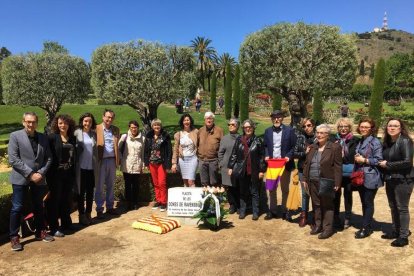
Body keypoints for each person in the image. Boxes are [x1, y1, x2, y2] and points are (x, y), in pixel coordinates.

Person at [8, 112, 54, 251]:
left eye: (33, 122)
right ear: (23, 122)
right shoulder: (15, 136)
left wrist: (40, 173)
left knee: (39, 205)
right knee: (17, 207)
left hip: (38, 178)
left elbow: (49, 158)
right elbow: (13, 159)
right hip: (21, 178)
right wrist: (30, 174)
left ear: (37, 123)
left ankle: (40, 231)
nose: (30, 124)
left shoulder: (43, 138)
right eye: (28, 121)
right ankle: (14, 237)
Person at [379, 118, 414, 247]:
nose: (392, 128)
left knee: (402, 208)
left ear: (401, 128)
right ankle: (395, 230)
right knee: (393, 206)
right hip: (391, 178)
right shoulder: (387, 142)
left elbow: (407, 162)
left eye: (395, 126)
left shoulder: (405, 141)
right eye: (390, 126)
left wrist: (388, 164)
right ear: (386, 128)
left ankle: (403, 236)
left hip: (403, 179)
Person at [302, 124, 342, 239]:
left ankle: (327, 229)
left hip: (326, 181)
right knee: (316, 204)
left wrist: (337, 182)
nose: (319, 135)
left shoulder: (335, 147)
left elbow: (338, 166)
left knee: (327, 205)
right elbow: (306, 164)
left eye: (322, 133)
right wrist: (304, 178)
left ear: (328, 135)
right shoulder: (313, 147)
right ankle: (318, 225)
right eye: (318, 133)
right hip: (312, 180)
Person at [228, 119, 266, 220]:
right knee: (243, 191)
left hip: (254, 170)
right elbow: (234, 154)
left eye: (249, 127)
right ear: (243, 129)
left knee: (254, 192)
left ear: (253, 128)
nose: (247, 129)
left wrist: (262, 170)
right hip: (242, 170)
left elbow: (262, 157)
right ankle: (242, 211)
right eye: (245, 127)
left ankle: (255, 212)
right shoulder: (239, 139)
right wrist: (230, 167)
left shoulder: (258, 141)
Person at [46, 114, 77, 238]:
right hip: (55, 175)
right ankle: (54, 228)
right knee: (55, 201)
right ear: (56, 125)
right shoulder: (52, 138)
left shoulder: (72, 138)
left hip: (68, 174)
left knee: (66, 199)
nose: (62, 125)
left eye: (65, 123)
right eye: (60, 123)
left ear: (69, 125)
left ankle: (66, 223)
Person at [263, 110, 296, 220]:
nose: (276, 119)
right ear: (272, 119)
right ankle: (272, 210)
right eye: (274, 117)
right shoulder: (267, 131)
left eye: (279, 117)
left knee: (285, 188)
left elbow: (293, 146)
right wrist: (267, 155)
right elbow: (266, 146)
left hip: (284, 164)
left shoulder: (289, 131)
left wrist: (289, 156)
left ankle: (284, 210)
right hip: (272, 164)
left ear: (282, 118)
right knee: (272, 188)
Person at [353, 117, 383, 239]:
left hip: (370, 177)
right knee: (364, 202)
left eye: (366, 127)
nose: (364, 129)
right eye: (362, 127)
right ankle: (367, 225)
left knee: (368, 202)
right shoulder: (361, 140)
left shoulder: (375, 142)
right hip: (361, 176)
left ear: (372, 129)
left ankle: (366, 228)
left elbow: (379, 160)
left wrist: (364, 160)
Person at [333, 118, 360, 230]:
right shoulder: (333, 139)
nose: (343, 129)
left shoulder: (355, 140)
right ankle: (336, 217)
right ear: (338, 128)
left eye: (345, 126)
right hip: (336, 173)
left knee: (348, 195)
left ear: (350, 128)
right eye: (341, 127)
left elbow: (353, 157)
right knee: (336, 195)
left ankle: (347, 217)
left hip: (349, 173)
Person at [95, 109, 120, 218]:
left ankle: (110, 207)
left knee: (111, 185)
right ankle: (99, 209)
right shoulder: (96, 128)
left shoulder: (115, 130)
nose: (109, 119)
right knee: (100, 186)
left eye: (111, 118)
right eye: (108, 117)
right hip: (100, 161)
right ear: (103, 117)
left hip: (112, 160)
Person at [74, 113, 98, 226]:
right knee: (80, 192)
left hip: (91, 168)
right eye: (85, 121)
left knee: (90, 192)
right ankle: (81, 215)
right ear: (82, 122)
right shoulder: (77, 133)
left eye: (89, 121)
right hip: (81, 168)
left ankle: (88, 214)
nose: (87, 123)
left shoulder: (93, 134)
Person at [144, 119, 172, 211]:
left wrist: (168, 164)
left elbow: (169, 151)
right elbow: (146, 150)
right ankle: (158, 200)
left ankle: (164, 202)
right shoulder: (149, 136)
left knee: (162, 183)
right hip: (152, 163)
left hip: (161, 163)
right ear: (152, 126)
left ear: (161, 126)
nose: (157, 127)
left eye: (158, 125)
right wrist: (146, 162)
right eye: (155, 125)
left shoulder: (165, 136)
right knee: (155, 183)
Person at [293, 117, 316, 227]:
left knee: (315, 193)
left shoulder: (319, 137)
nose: (307, 128)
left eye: (309, 125)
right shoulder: (300, 138)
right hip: (303, 169)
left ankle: (316, 217)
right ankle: (304, 215)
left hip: (316, 169)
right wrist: (304, 152)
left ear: (313, 125)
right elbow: (295, 153)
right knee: (305, 193)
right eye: (304, 126)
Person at [119, 120, 145, 211]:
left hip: (137, 164)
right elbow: (118, 148)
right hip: (127, 164)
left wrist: (143, 165)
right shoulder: (124, 137)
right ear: (129, 128)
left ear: (138, 128)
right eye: (132, 127)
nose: (133, 129)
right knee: (127, 185)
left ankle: (135, 203)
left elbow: (142, 153)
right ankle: (128, 203)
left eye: (135, 127)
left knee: (136, 185)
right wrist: (121, 159)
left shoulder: (142, 139)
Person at [218, 118, 240, 214]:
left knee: (238, 186)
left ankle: (239, 205)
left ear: (237, 126)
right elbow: (220, 153)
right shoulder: (225, 138)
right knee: (229, 187)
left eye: (233, 124)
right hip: (226, 166)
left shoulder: (241, 137)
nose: (230, 126)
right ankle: (232, 205)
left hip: (238, 167)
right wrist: (221, 164)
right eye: (229, 124)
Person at [197, 111, 224, 187]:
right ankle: (205, 198)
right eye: (207, 118)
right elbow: (197, 144)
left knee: (213, 182)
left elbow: (222, 147)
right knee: (204, 182)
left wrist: (220, 161)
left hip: (213, 161)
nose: (209, 120)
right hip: (202, 160)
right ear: (204, 120)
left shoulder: (219, 131)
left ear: (213, 120)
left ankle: (214, 197)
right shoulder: (201, 130)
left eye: (210, 118)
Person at [171, 114, 198, 187]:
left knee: (191, 181)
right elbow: (175, 149)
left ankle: (194, 198)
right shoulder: (178, 134)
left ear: (190, 121)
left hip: (193, 158)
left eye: (188, 120)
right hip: (182, 160)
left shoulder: (195, 132)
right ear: (182, 122)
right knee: (185, 181)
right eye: (185, 120)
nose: (186, 122)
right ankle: (186, 197)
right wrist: (174, 163)